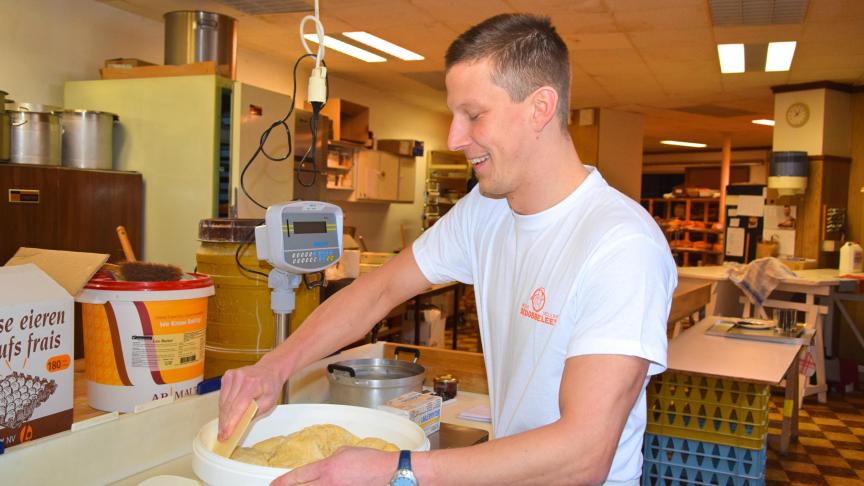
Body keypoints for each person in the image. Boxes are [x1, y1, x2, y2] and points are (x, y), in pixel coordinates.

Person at [218, 13, 677, 485]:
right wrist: (274, 366)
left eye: (474, 115)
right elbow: (380, 290)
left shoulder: (620, 245)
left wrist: (398, 470)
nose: (455, 138)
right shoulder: (486, 210)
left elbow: (583, 456)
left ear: (540, 108)